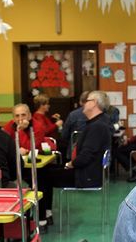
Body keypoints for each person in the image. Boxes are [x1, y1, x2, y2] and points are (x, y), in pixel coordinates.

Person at [38, 91, 111, 223]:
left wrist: (69, 164)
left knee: (42, 175)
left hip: (86, 175)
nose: (84, 104)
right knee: (45, 170)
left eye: (87, 101)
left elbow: (85, 157)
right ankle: (46, 213)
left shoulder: (97, 126)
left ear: (94, 103)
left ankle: (42, 218)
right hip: (89, 171)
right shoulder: (99, 122)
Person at [61, 91, 90, 159]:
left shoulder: (73, 115)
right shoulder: (100, 115)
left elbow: (64, 135)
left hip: (75, 152)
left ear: (80, 102)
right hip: (94, 152)